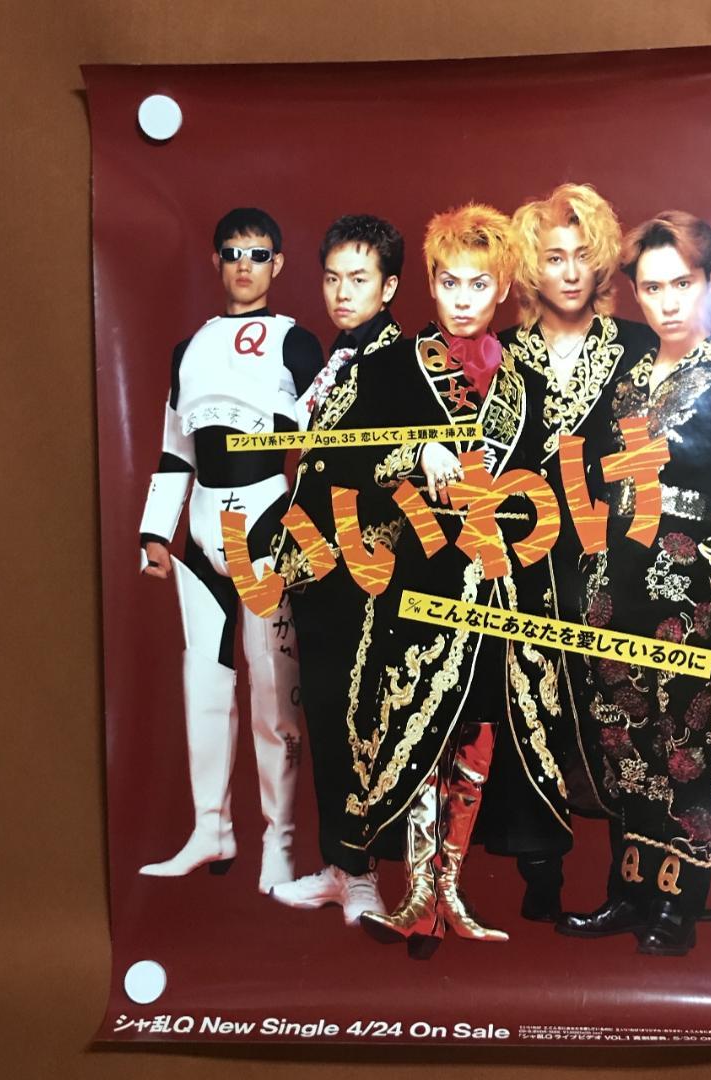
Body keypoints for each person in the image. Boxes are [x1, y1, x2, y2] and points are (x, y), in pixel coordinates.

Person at [335, 203, 569, 958]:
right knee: (421, 731)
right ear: (430, 284)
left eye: (478, 284)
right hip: (422, 578)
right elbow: (341, 459)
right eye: (449, 282)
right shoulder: (390, 367)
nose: (462, 299)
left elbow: (551, 491)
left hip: (501, 586)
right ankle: (416, 896)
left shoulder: (529, 385)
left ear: (501, 290)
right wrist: (413, 453)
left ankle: (451, 891)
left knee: (480, 731)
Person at [557, 211, 711, 955]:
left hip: (682, 581)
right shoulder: (622, 380)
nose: (667, 302)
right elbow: (589, 479)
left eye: (682, 283)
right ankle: (630, 891)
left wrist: (705, 574)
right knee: (618, 735)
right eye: (651, 288)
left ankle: (680, 903)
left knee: (684, 737)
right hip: (608, 577)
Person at [483, 183, 656, 921]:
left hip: (613, 556)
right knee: (529, 706)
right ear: (531, 268)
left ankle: (631, 883)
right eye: (554, 258)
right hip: (525, 559)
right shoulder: (500, 354)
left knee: (620, 709)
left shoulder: (639, 347)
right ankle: (540, 874)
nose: (572, 270)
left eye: (584, 254)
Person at [137, 207, 323, 891]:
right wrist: (155, 531)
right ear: (216, 261)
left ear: (278, 264)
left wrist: (311, 530)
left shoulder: (297, 342)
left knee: (274, 691)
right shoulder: (188, 349)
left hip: (266, 520)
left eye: (258, 253)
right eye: (233, 253)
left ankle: (280, 842)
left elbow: (326, 443)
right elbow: (175, 449)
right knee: (204, 683)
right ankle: (210, 829)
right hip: (199, 526)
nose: (245, 265)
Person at [269, 214, 405, 925]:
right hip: (315, 564)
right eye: (331, 278)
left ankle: (364, 877)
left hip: (367, 567)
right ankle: (336, 867)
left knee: (360, 716)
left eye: (358, 279)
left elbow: (403, 458)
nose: (342, 292)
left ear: (390, 286)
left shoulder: (401, 360)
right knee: (323, 713)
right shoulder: (339, 355)